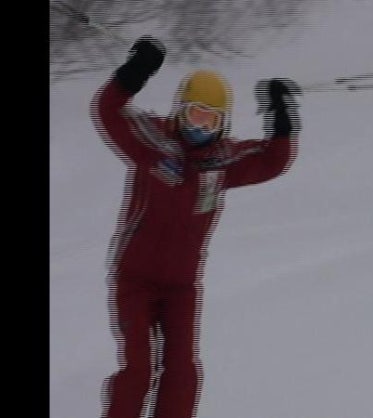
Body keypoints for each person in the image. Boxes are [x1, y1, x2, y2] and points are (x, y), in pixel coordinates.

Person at [91, 36, 300, 418]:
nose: (199, 126)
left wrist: (281, 115)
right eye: (194, 114)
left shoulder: (221, 162)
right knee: (139, 370)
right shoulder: (152, 141)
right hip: (134, 280)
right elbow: (107, 111)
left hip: (182, 287)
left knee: (183, 372)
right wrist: (136, 71)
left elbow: (273, 161)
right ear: (179, 110)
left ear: (223, 124)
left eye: (210, 119)